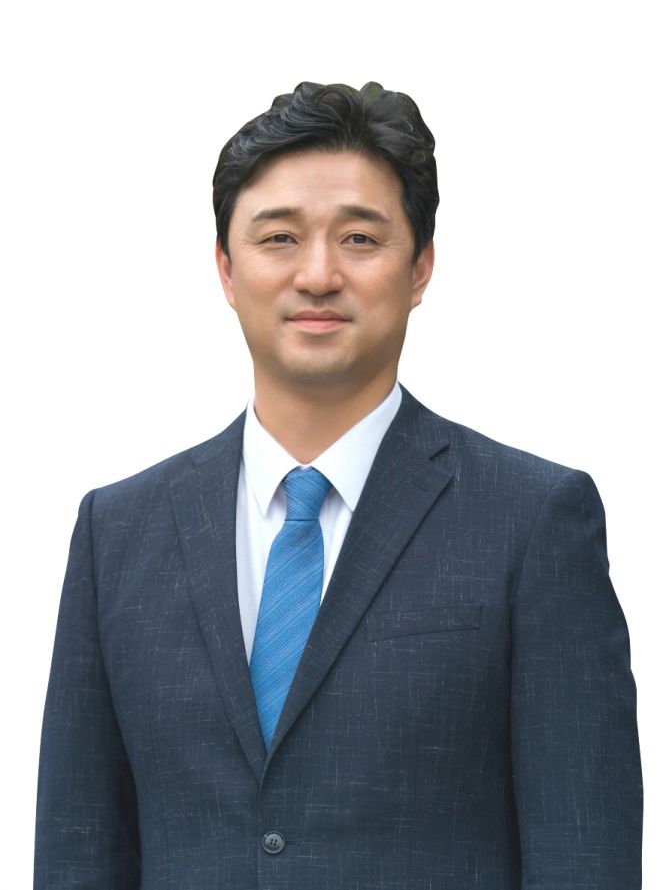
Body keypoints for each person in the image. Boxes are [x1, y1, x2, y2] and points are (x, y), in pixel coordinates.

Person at [34, 81, 643, 890]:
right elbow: (77, 852)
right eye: (279, 237)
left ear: (420, 267)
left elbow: (584, 855)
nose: (318, 274)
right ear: (225, 267)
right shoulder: (118, 533)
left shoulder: (532, 522)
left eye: (359, 238)